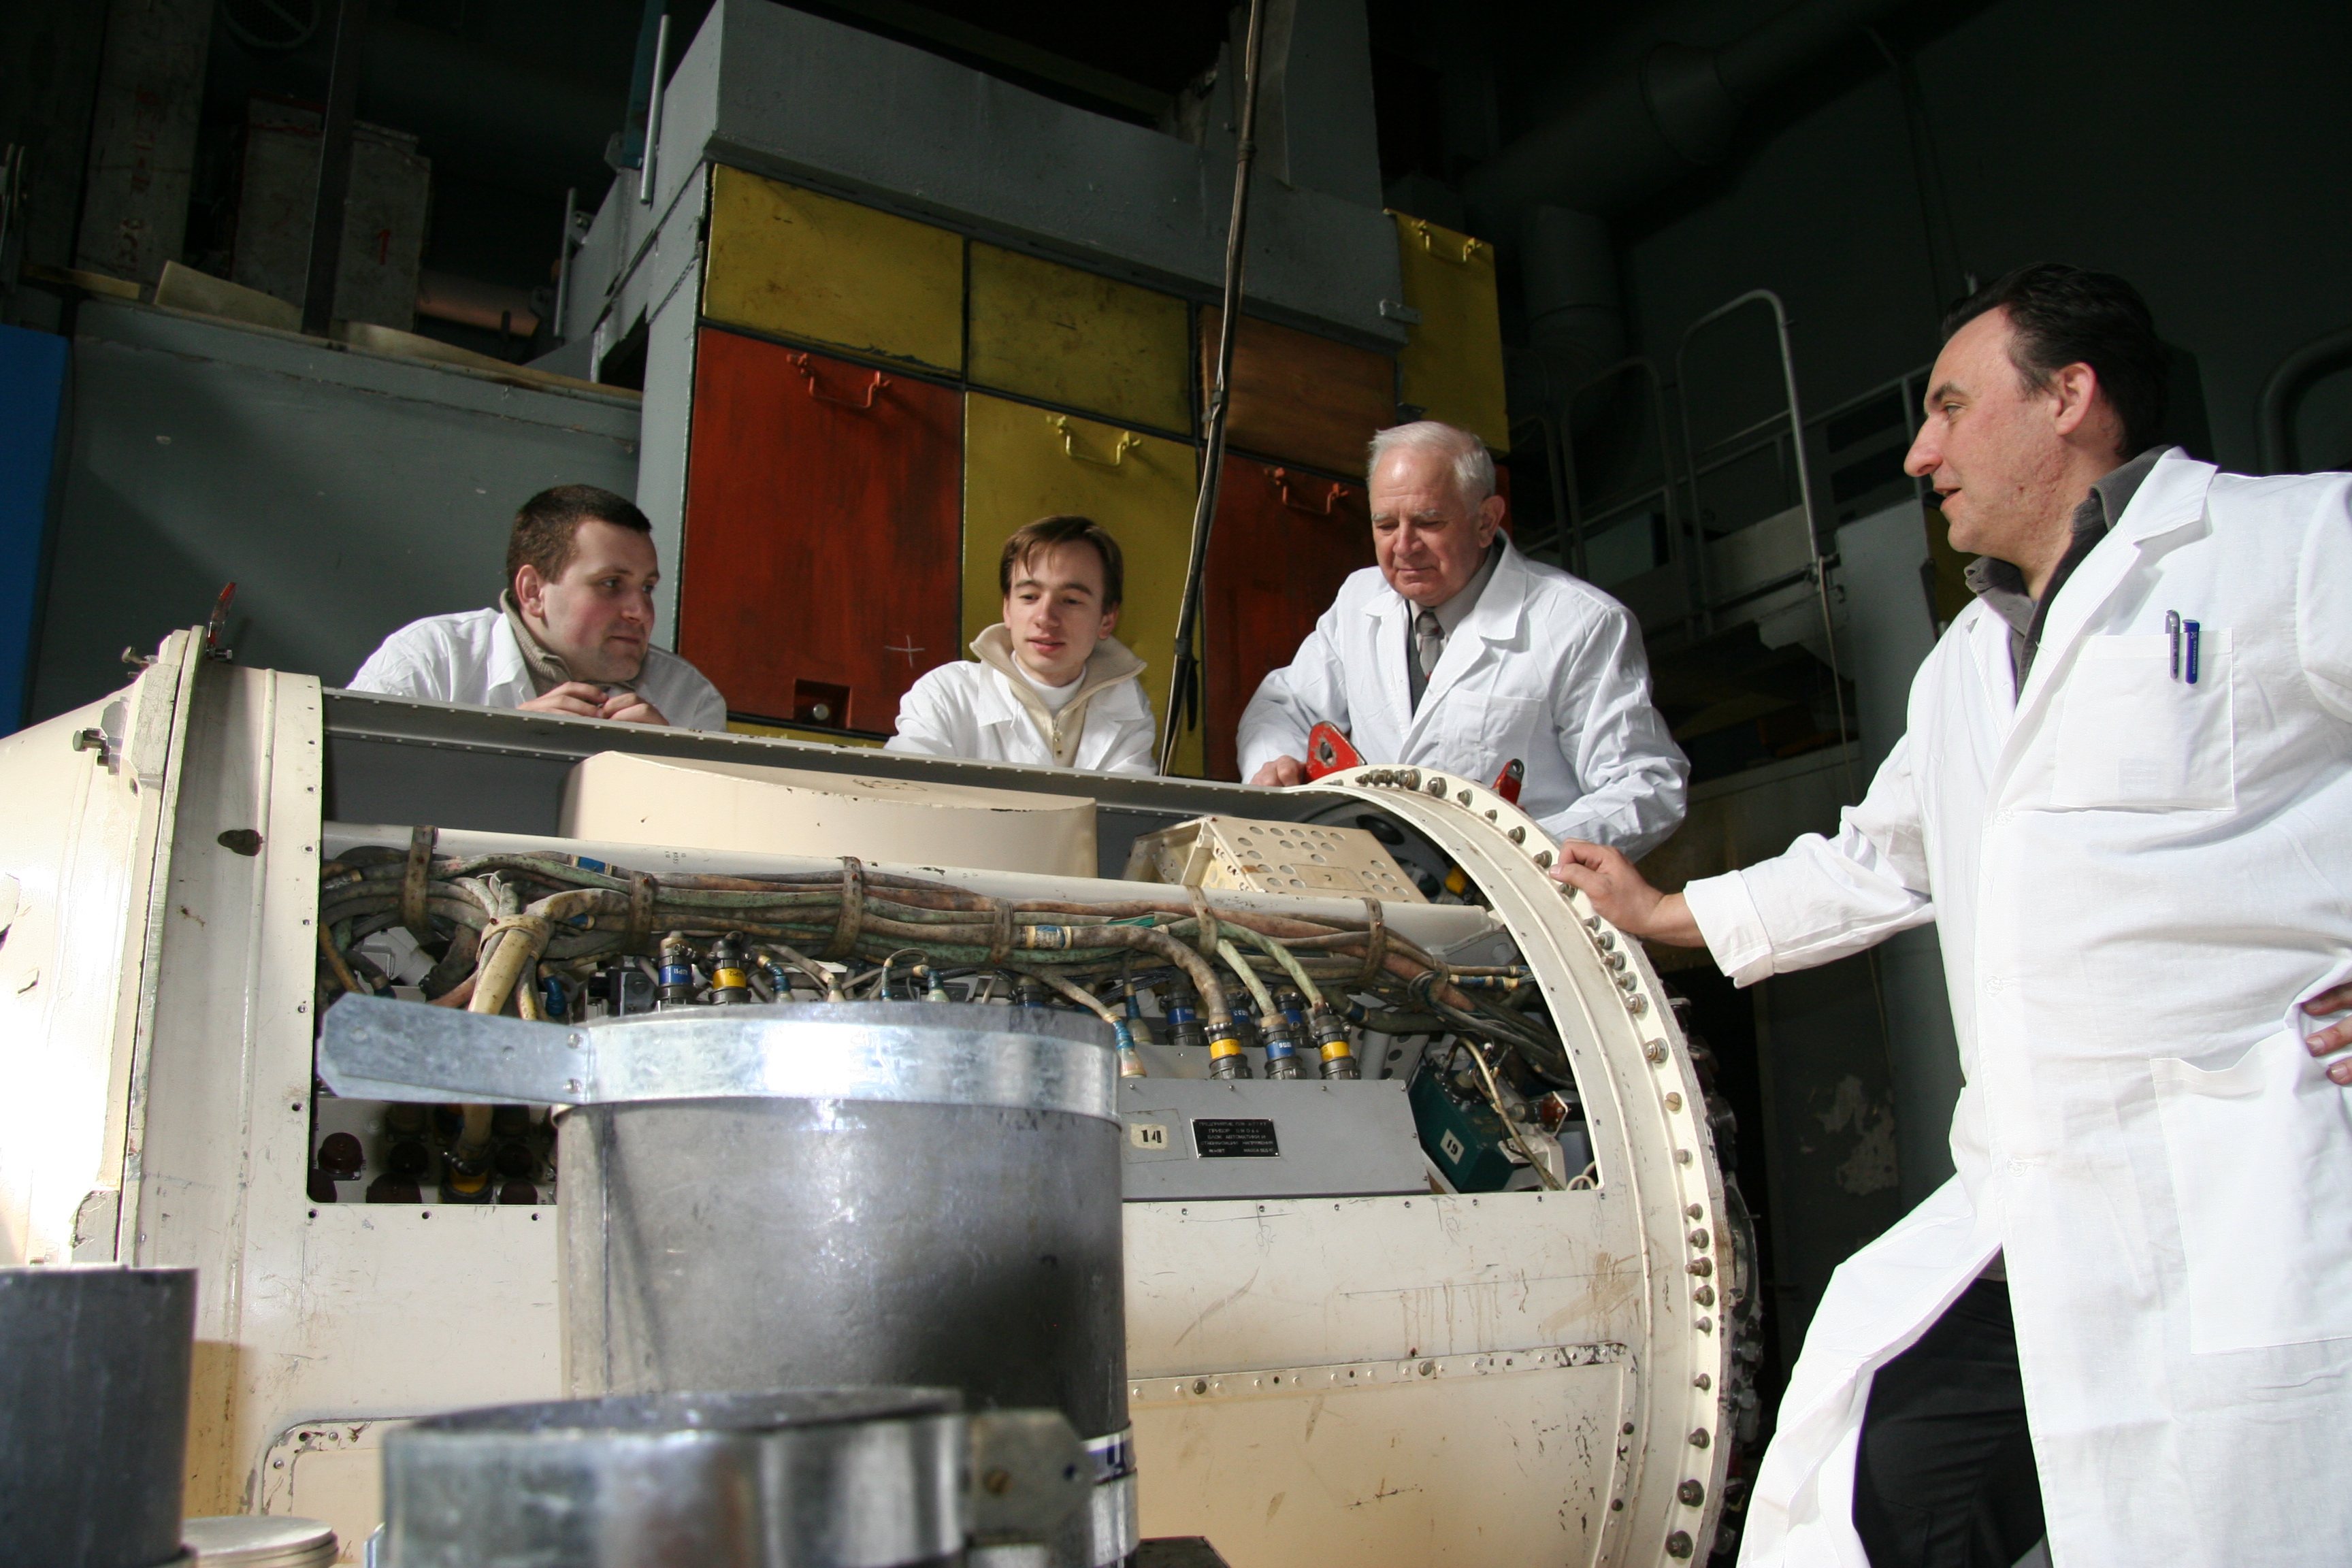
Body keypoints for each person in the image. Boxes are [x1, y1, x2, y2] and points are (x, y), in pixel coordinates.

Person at [1552, 264, 2352, 1567]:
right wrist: (1664, 908)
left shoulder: (2288, 546)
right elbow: (1878, 861)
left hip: (2240, 1189)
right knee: (1887, 1486)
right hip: (2030, 1198)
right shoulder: (1965, 665)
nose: (1919, 451)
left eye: (1948, 406)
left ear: (2070, 399)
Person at [1237, 420, 1687, 856]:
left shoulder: (1578, 624)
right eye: (1386, 525)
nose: (1403, 546)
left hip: (1522, 901)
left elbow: (1645, 785)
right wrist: (1277, 764)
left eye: (1429, 522)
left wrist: (1521, 848)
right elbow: (1284, 703)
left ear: (1486, 521)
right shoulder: (1359, 600)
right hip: (1381, 885)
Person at [348, 484, 726, 731]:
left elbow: (716, 843)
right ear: (533, 591)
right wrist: (505, 745)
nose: (640, 611)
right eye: (611, 584)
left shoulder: (688, 699)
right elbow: (348, 793)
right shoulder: (433, 658)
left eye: (648, 587)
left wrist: (670, 768)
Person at [886, 514, 1155, 773]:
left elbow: (1127, 815)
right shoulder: (947, 694)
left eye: (1071, 600)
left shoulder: (1129, 707)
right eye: (1029, 596)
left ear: (1107, 619)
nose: (1045, 618)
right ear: (1007, 609)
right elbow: (897, 795)